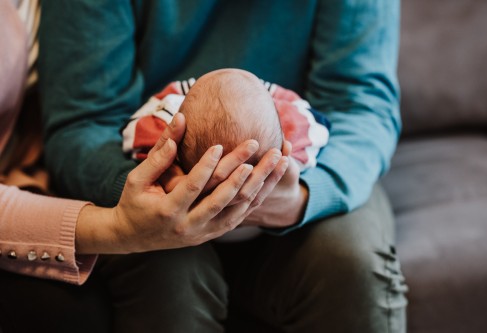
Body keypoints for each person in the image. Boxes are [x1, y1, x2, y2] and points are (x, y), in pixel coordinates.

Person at [20, 0, 407, 332]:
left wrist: (305, 195)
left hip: (308, 169)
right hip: (143, 169)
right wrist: (147, 190)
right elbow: (83, 122)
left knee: (350, 271)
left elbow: (361, 105)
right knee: (168, 283)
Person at [0, 1, 286, 332]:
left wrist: (302, 196)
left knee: (348, 263)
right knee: (90, 308)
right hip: (38, 189)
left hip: (28, 174)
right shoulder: (164, 112)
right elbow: (87, 122)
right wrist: (122, 221)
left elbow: (351, 102)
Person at [123, 68, 331, 241]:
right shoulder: (294, 134)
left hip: (185, 221)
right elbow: (319, 123)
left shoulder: (166, 121)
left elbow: (132, 133)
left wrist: (164, 171)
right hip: (263, 226)